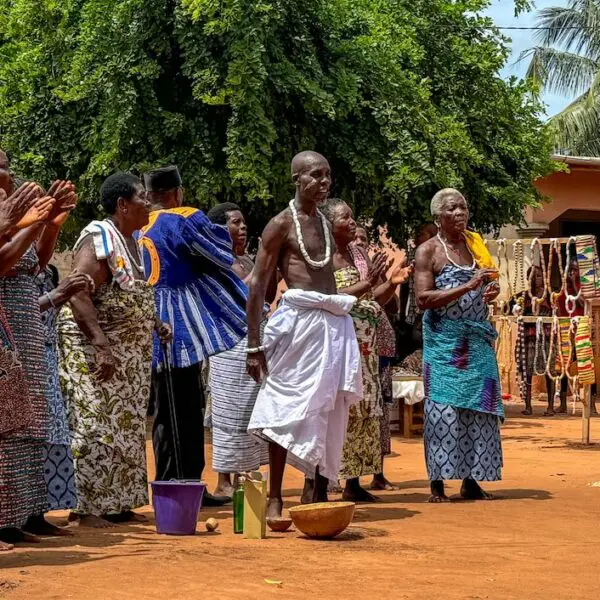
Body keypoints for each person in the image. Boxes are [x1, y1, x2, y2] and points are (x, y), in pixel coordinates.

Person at [247, 151, 363, 520]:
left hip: (331, 324)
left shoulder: (326, 224)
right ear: (297, 179)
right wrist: (254, 346)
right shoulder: (280, 224)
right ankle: (276, 497)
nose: (324, 182)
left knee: (326, 409)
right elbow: (257, 285)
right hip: (298, 324)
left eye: (328, 175)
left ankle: (317, 487)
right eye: (316, 175)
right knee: (285, 410)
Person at [139, 167, 248, 506]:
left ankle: (169, 485)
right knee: (185, 408)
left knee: (163, 410)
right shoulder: (184, 218)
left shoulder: (138, 227)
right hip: (179, 327)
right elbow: (220, 252)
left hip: (148, 322)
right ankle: (186, 487)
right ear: (178, 192)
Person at [58, 173, 159, 527]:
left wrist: (155, 323)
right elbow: (78, 291)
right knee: (95, 423)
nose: (148, 203)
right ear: (122, 205)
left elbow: (129, 295)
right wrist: (101, 345)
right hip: (93, 351)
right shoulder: (99, 238)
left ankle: (117, 503)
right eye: (142, 198)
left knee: (126, 427)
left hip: (128, 359)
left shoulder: (132, 241)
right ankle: (86, 509)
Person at [0, 161, 77, 542]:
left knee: (30, 423)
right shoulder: (7, 215)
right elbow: (3, 261)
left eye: (8, 165)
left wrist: (52, 223)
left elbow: (36, 263)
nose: (8, 172)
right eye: (0, 166)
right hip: (7, 324)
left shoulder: (15, 211)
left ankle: (26, 514)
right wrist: (32, 221)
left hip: (27, 325)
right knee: (7, 424)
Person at [415, 188, 503, 503]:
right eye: (452, 208)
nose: (460, 213)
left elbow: (488, 283)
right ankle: (437, 484)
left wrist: (490, 291)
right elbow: (423, 299)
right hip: (444, 344)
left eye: (463, 207)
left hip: (477, 341)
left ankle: (471, 480)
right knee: (443, 410)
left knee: (479, 410)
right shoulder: (428, 251)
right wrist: (468, 285)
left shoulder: (475, 245)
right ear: (438, 217)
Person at [323, 199, 408, 502]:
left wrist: (391, 284)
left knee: (365, 412)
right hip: (337, 346)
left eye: (352, 216)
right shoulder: (322, 259)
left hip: (367, 349)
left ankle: (354, 482)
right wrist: (367, 284)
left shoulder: (359, 255)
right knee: (339, 412)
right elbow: (328, 300)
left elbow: (372, 299)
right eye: (345, 217)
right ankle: (327, 479)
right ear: (327, 222)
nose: (352, 222)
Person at [205, 203, 273, 497]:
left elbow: (264, 293)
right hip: (227, 346)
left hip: (253, 341)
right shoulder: (214, 262)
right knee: (228, 416)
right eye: (235, 222)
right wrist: (260, 268)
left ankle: (246, 476)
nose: (243, 227)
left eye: (244, 222)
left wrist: (269, 269)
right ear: (220, 229)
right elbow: (235, 298)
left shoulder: (245, 260)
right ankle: (223, 482)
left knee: (251, 414)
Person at [37, 266, 94, 515]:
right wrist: (59, 294)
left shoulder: (47, 271)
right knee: (29, 437)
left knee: (53, 434)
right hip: (25, 355)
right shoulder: (10, 264)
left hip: (48, 356)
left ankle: (38, 513)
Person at [354, 225, 407, 491]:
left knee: (380, 412)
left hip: (380, 348)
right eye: (355, 239)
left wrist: (383, 280)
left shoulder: (374, 272)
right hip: (356, 349)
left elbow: (392, 305)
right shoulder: (343, 270)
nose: (359, 242)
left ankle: (378, 473)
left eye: (363, 239)